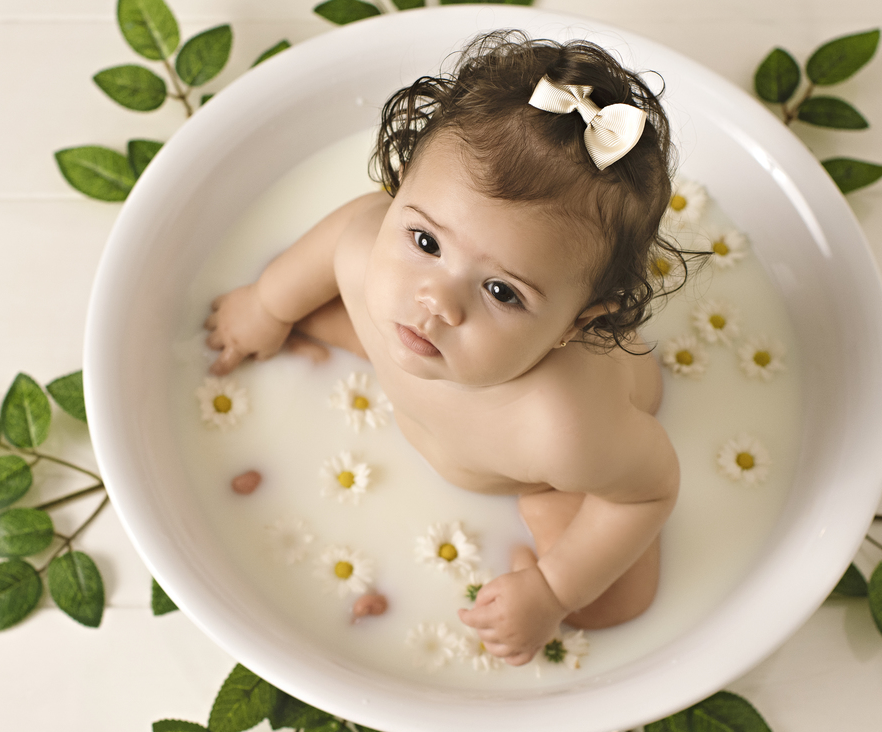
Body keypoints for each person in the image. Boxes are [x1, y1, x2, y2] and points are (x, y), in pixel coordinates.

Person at [204, 31, 687, 666]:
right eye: (427, 242)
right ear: (398, 189)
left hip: (524, 473)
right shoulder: (370, 250)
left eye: (500, 291)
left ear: (579, 321)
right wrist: (267, 302)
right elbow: (336, 242)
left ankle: (558, 564)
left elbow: (648, 493)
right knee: (327, 299)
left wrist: (549, 588)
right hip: (425, 381)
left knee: (616, 602)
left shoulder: (564, 431)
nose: (437, 301)